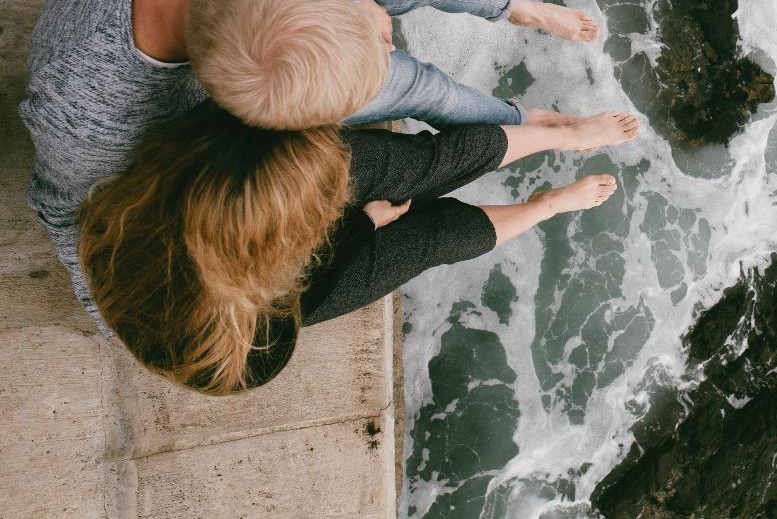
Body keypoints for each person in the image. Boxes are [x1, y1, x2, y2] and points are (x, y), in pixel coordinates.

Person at [20, 0, 601, 326]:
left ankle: (517, 6)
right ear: (233, 120)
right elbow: (63, 207)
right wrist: (114, 317)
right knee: (416, 85)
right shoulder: (85, 111)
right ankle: (526, 120)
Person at [78, 102, 640, 395]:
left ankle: (567, 136)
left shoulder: (164, 190)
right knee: (433, 240)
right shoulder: (244, 351)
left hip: (252, 188)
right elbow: (305, 289)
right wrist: (358, 228)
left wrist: (349, 204)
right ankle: (545, 206)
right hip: (272, 297)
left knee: (423, 166)